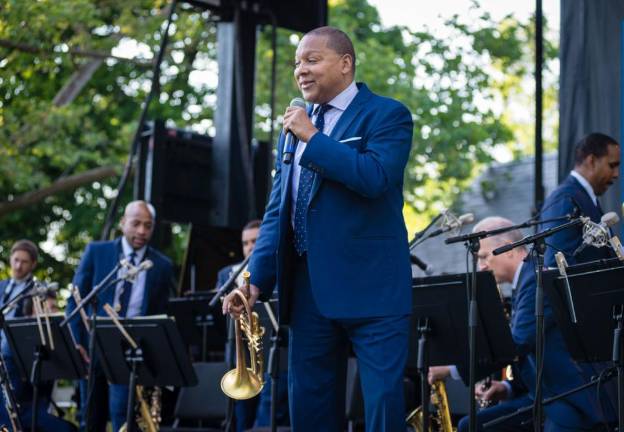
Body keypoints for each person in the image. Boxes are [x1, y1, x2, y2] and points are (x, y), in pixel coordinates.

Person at [222, 26, 413, 431]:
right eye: (296, 63)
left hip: (373, 292)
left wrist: (313, 138)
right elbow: (279, 209)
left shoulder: (387, 114)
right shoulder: (293, 129)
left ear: (345, 64)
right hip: (308, 292)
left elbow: (375, 177)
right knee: (308, 411)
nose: (300, 71)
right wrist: (254, 280)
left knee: (381, 409)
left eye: (312, 60)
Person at [65, 201, 175, 432]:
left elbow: (160, 313)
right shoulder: (97, 252)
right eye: (136, 224)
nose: (142, 231)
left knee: (123, 415)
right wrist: (76, 341)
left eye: (148, 226)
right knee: (90, 414)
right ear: (123, 223)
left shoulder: (162, 266)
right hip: (94, 344)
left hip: (131, 348)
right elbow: (75, 298)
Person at [216, 220, 289, 431]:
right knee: (241, 412)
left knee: (268, 411)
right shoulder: (228, 274)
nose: (249, 247)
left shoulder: (278, 270)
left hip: (273, 352)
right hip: (242, 354)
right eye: (245, 243)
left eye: (255, 241)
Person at [0, 240, 76, 431]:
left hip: (15, 357)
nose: (18, 266)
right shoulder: (2, 286)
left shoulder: (39, 291)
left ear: (33, 264)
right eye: (15, 260)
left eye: (24, 262)